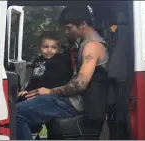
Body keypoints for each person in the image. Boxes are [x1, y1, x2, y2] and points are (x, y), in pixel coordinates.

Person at [16, 5, 109, 140]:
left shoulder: (92, 46)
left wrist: (50, 91)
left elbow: (80, 84)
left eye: (69, 28)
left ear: (83, 24)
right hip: (68, 100)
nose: (66, 32)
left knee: (16, 114)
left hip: (73, 104)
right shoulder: (83, 44)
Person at [17, 31, 73, 102]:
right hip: (36, 92)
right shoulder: (37, 61)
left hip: (51, 95)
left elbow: (59, 82)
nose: (49, 50)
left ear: (58, 49)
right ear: (39, 48)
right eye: (46, 47)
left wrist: (40, 94)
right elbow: (34, 81)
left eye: (53, 47)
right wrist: (26, 90)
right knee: (19, 98)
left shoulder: (60, 61)